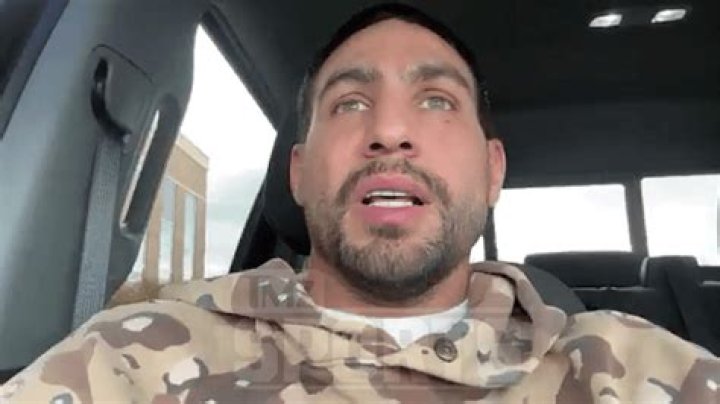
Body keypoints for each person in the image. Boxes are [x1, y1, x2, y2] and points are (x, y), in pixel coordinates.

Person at [2, 4, 718, 403]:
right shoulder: (132, 358)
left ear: (493, 170)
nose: (390, 131)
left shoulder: (628, 366)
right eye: (349, 103)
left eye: (436, 100)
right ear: (299, 172)